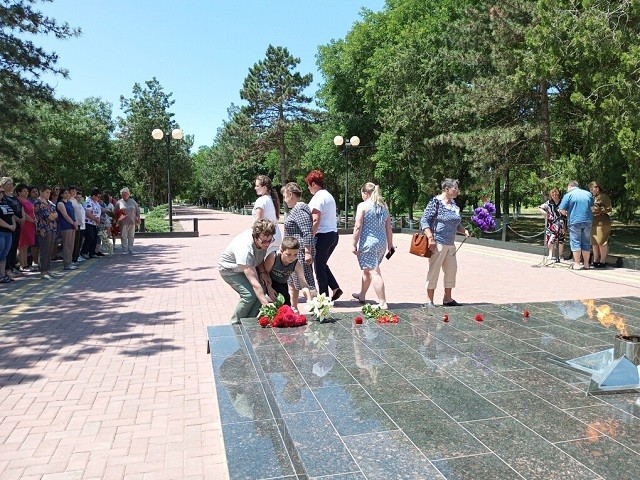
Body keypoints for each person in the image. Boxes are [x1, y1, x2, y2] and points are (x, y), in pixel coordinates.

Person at [420, 178, 470, 307]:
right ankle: (429, 300)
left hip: (450, 244)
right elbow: (424, 220)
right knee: (434, 270)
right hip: (438, 243)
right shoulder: (436, 202)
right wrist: (430, 238)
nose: (457, 191)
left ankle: (447, 298)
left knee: (451, 270)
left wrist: (464, 231)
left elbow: (457, 224)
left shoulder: (454, 206)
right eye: (455, 188)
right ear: (447, 189)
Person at [218, 219, 276, 323]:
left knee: (262, 289)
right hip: (230, 270)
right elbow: (254, 283)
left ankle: (249, 322)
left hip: (248, 266)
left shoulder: (263, 238)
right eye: (264, 241)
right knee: (250, 295)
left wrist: (263, 273)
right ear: (255, 237)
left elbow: (259, 257)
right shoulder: (245, 249)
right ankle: (235, 324)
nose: (267, 244)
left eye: (270, 240)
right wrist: (266, 305)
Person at [351, 182, 394, 309]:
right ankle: (362, 295)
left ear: (366, 193)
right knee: (367, 270)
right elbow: (389, 228)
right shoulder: (383, 206)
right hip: (381, 243)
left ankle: (382, 302)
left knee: (374, 272)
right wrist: (390, 245)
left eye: (362, 194)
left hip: (368, 243)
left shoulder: (363, 206)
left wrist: (353, 243)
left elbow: (358, 226)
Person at [306, 169, 342, 301]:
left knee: (319, 267)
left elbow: (316, 219)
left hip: (322, 236)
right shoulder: (328, 196)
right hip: (333, 235)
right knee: (322, 264)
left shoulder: (318, 197)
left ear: (314, 184)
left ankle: (323, 298)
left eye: (309, 185)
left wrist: (310, 236)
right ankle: (335, 288)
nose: (309, 189)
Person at [280, 182, 316, 311]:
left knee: (306, 281)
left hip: (300, 252)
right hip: (293, 252)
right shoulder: (296, 209)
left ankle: (316, 307)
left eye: (285, 196)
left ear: (290, 194)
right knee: (292, 281)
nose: (284, 200)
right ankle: (294, 308)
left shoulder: (300, 209)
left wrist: (307, 252)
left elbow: (307, 232)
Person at [259, 236, 313, 311]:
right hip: (269, 281)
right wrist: (269, 288)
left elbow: (303, 283)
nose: (292, 258)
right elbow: (265, 273)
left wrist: (309, 300)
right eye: (288, 254)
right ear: (281, 251)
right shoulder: (273, 257)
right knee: (285, 303)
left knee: (285, 304)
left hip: (283, 283)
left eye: (295, 254)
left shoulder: (296, 264)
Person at [558, 180, 594, 270]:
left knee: (575, 242)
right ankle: (586, 264)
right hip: (587, 220)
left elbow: (561, 210)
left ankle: (577, 264)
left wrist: (567, 213)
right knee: (586, 242)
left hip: (574, 221)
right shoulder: (588, 194)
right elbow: (592, 209)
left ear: (570, 186)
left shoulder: (568, 195)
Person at [252, 175, 282, 254]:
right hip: (276, 236)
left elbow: (258, 222)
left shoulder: (261, 200)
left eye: (257, 186)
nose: (255, 188)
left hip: (266, 238)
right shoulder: (271, 199)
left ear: (264, 188)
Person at [0, 177, 23, 277]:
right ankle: (7, 269)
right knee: (6, 250)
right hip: (7, 226)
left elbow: (19, 207)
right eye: (8, 184)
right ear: (3, 185)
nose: (11, 185)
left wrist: (22, 219)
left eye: (11, 183)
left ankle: (12, 267)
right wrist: (16, 219)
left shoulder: (13, 196)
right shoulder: (3, 198)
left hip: (16, 225)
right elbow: (9, 212)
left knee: (14, 246)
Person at [34, 186, 58, 280]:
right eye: (46, 192)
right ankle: (43, 271)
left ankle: (48, 269)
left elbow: (55, 214)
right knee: (44, 250)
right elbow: (47, 216)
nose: (48, 194)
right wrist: (52, 215)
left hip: (52, 228)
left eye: (49, 192)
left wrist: (53, 215)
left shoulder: (49, 203)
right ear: (41, 192)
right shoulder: (38, 203)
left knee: (49, 250)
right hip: (44, 229)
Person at [538, 188, 567, 263]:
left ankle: (560, 255)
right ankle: (550, 254)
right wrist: (544, 213)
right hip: (551, 224)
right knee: (551, 239)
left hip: (561, 224)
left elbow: (567, 211)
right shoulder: (549, 203)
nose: (554, 195)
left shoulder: (562, 202)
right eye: (552, 194)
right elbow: (540, 208)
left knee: (561, 240)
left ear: (558, 194)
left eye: (556, 194)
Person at [589, 181, 612, 268]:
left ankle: (602, 261)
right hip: (594, 222)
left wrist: (597, 210)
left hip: (602, 222)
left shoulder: (604, 196)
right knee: (594, 242)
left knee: (602, 242)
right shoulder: (592, 197)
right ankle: (595, 260)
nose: (591, 191)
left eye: (592, 189)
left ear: (597, 188)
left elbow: (609, 209)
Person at [56, 187, 78, 270]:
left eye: (68, 193)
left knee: (71, 245)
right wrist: (73, 223)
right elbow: (65, 215)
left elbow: (73, 214)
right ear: (61, 194)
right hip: (65, 226)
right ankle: (66, 263)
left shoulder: (69, 203)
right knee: (67, 246)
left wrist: (75, 223)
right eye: (65, 193)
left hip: (72, 226)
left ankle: (70, 261)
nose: (67, 194)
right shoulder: (60, 203)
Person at [16, 184, 37, 271]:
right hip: (25, 224)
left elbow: (32, 211)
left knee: (27, 244)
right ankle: (22, 265)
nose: (26, 192)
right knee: (22, 245)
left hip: (31, 224)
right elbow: (24, 213)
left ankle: (26, 264)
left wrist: (34, 220)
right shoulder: (18, 200)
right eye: (24, 191)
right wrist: (32, 220)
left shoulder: (27, 200)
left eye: (27, 191)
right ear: (19, 192)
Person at [116, 187, 141, 254]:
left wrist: (138, 218)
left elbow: (138, 210)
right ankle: (124, 250)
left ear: (128, 194)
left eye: (125, 195)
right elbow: (115, 212)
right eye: (123, 195)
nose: (124, 196)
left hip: (132, 221)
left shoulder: (133, 201)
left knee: (131, 236)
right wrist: (117, 220)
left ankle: (130, 249)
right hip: (123, 222)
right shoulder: (119, 202)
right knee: (123, 236)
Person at [0, 187, 17, 283]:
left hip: (8, 232)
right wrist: (9, 226)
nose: (2, 193)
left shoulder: (4, 203)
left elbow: (11, 215)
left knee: (4, 254)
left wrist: (13, 225)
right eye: (0, 191)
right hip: (1, 232)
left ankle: (2, 275)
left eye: (2, 191)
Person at [81, 188, 102, 259]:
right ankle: (84, 252)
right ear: (93, 196)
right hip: (88, 223)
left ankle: (92, 252)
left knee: (94, 238)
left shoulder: (96, 203)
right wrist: (96, 219)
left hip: (94, 223)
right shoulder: (88, 202)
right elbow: (88, 213)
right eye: (98, 196)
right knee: (90, 237)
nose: (99, 198)